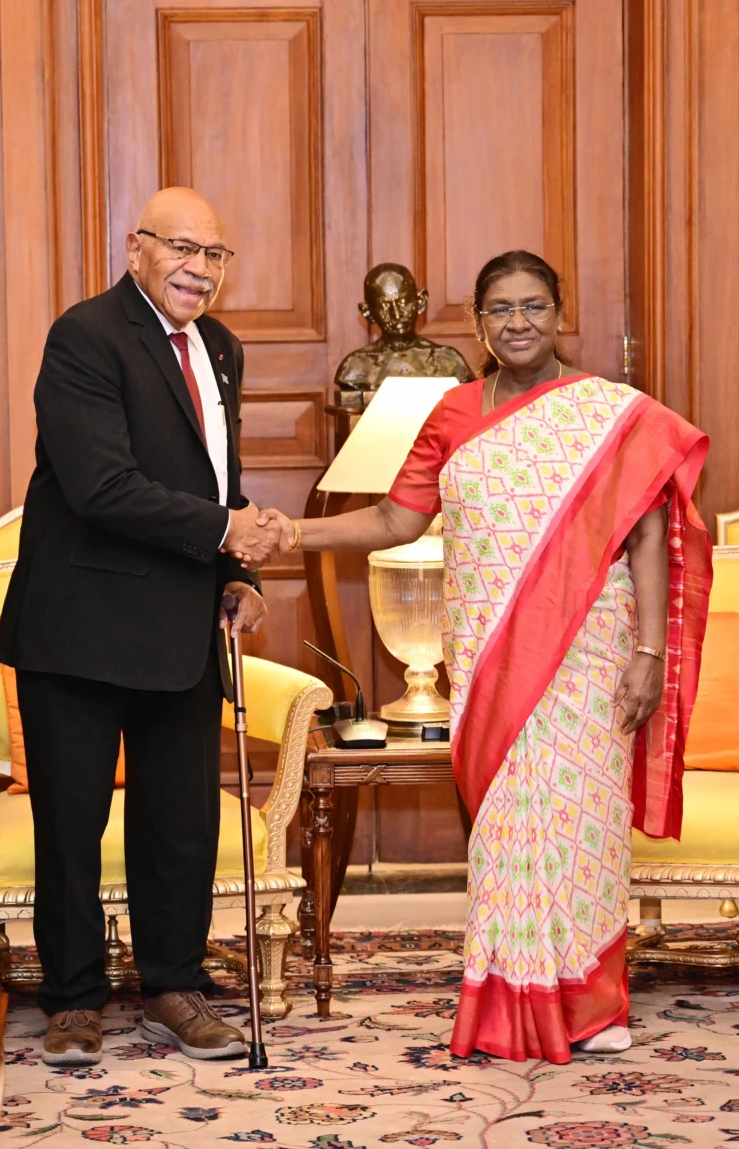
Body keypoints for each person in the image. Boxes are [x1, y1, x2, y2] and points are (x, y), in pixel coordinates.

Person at [251, 250, 713, 1064]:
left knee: (584, 824)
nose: (518, 322)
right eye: (501, 309)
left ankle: (592, 1003)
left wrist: (648, 650)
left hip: (589, 652)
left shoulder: (613, 414)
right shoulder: (454, 412)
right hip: (490, 657)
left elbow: (647, 535)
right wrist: (293, 531)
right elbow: (396, 521)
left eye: (534, 306)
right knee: (506, 828)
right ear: (477, 322)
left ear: (560, 313)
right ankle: (509, 998)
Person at [0, 187, 281, 1066]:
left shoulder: (221, 347)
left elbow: (216, 479)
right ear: (136, 249)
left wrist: (236, 575)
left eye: (216, 254)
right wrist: (226, 532)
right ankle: (74, 998)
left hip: (181, 625)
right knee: (71, 826)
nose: (200, 269)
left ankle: (173, 988)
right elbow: (100, 486)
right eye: (182, 248)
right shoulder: (85, 337)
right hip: (78, 627)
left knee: (181, 825)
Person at [334, 263, 473, 402]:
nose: (396, 314)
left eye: (404, 301)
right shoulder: (354, 368)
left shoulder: (448, 361)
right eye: (384, 306)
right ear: (368, 312)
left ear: (420, 301)